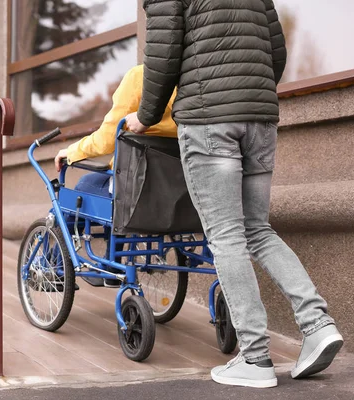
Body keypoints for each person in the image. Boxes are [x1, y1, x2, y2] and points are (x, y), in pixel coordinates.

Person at [125, 0, 343, 389]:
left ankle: (256, 358)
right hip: (259, 116)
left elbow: (163, 49)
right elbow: (276, 51)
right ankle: (318, 324)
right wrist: (248, 94)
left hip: (210, 119)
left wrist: (146, 116)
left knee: (226, 235)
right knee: (258, 230)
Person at [54, 64, 177, 286]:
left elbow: (107, 138)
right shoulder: (197, 79)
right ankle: (111, 264)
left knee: (84, 187)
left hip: (138, 186)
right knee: (108, 184)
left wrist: (71, 152)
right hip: (179, 190)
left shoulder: (141, 76)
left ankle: (54, 264)